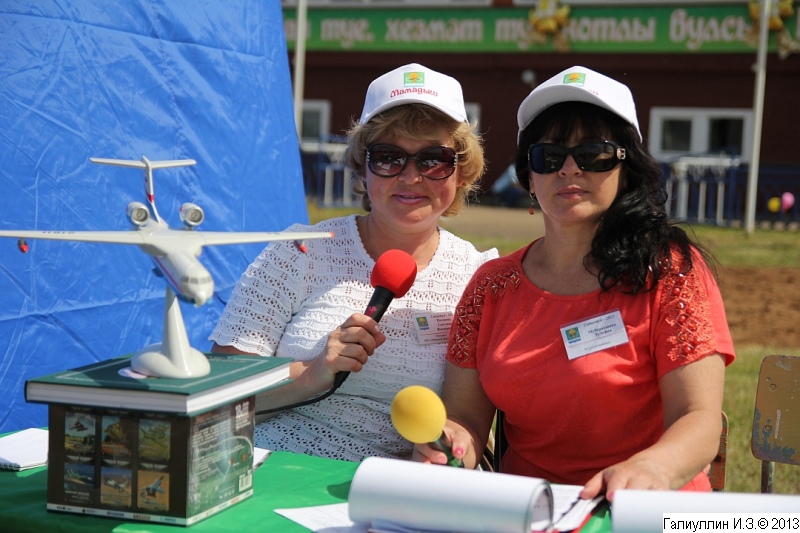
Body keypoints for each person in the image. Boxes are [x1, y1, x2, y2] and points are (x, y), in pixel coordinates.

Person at [413, 66, 735, 500]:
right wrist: (450, 445)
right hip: (526, 512)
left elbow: (698, 419)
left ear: (627, 167)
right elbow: (466, 421)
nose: (569, 169)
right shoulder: (490, 286)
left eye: (593, 154)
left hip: (645, 510)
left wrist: (651, 468)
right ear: (529, 176)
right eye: (548, 156)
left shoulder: (670, 271)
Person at [209, 63, 498, 462]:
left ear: (461, 172)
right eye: (389, 158)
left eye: (434, 160)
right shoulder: (298, 250)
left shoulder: (479, 275)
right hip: (268, 468)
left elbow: (467, 425)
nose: (411, 177)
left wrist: (447, 454)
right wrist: (313, 373)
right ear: (363, 168)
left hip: (390, 487)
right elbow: (218, 390)